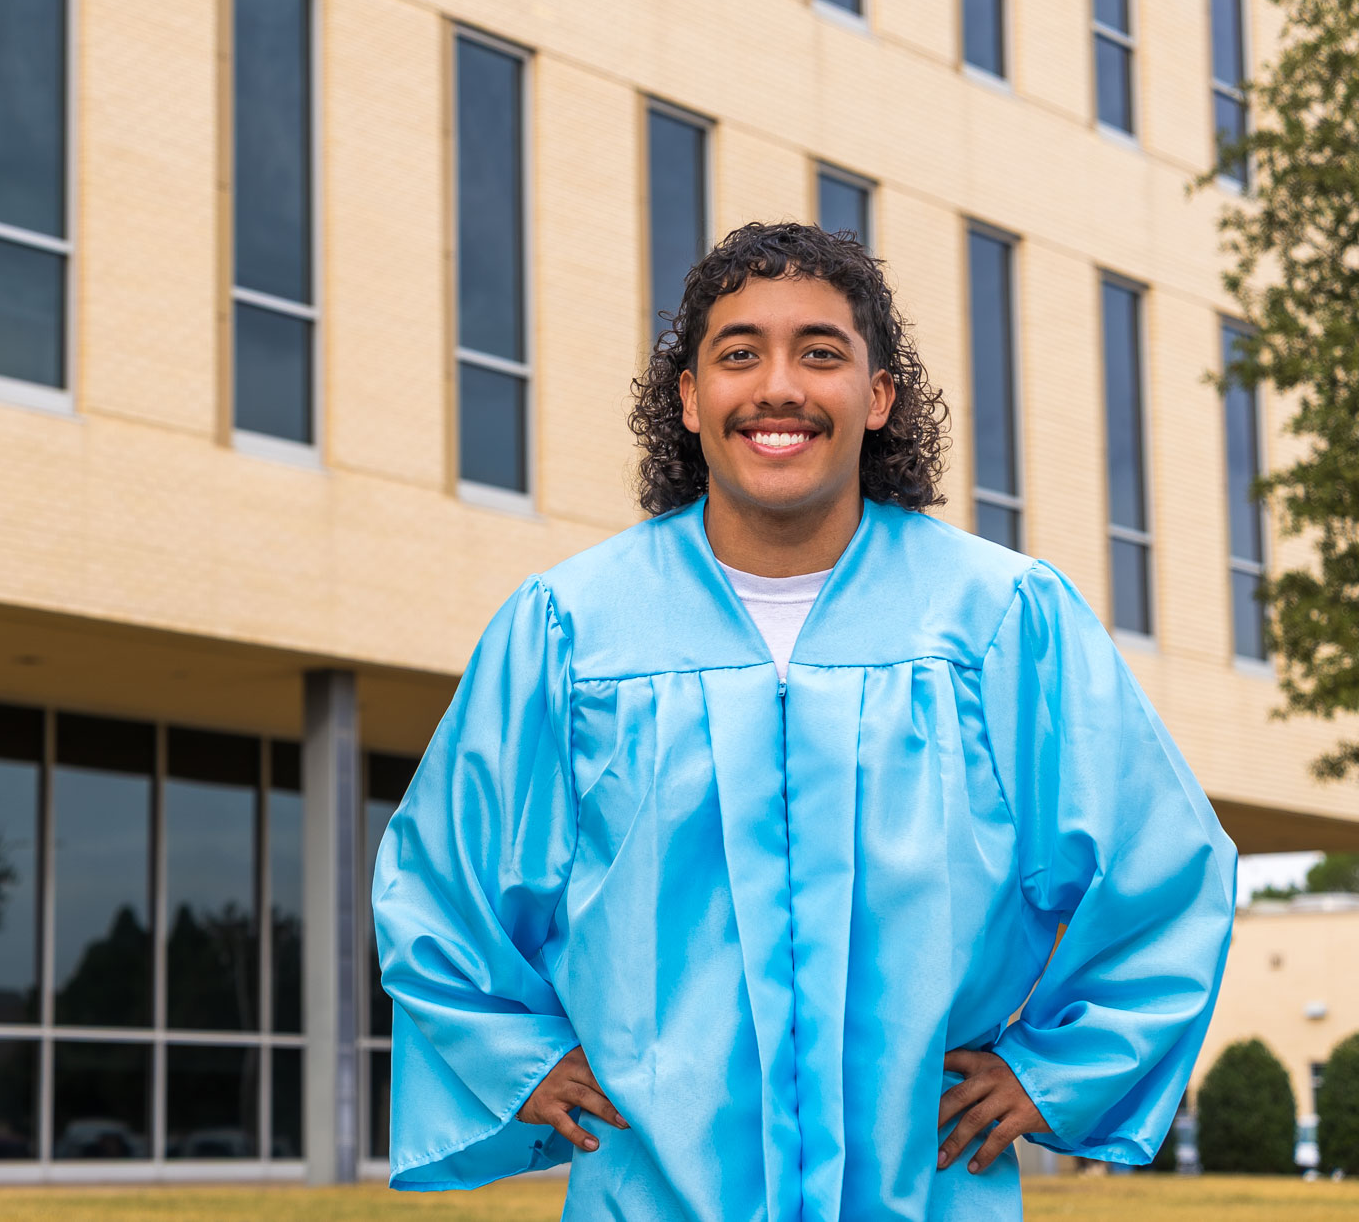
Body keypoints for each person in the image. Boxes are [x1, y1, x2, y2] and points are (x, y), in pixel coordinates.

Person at [370, 221, 1237, 1220]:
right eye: (739, 353)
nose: (778, 385)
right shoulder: (572, 629)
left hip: (923, 1188)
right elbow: (442, 879)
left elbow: (1163, 864)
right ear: (690, 399)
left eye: (820, 352)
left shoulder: (1000, 620)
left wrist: (1055, 1069)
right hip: (653, 1190)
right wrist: (521, 1058)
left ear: (878, 395)